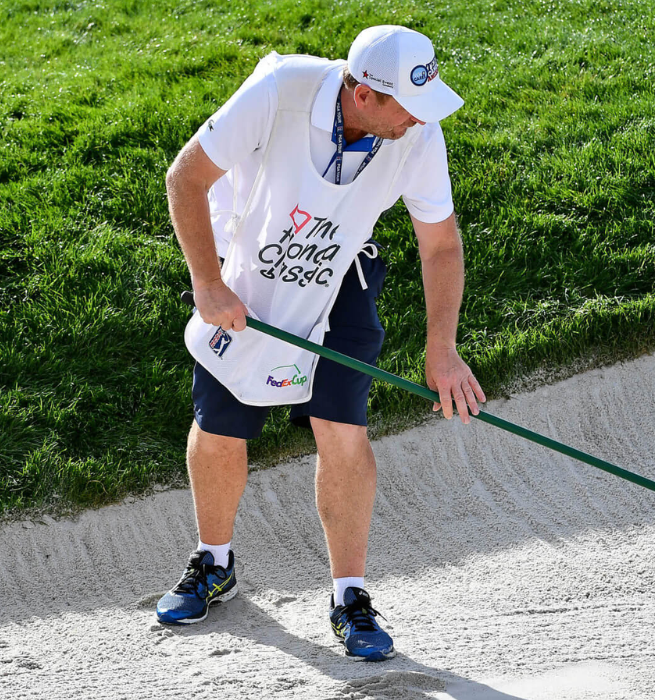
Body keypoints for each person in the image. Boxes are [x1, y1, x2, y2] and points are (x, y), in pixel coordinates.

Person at [156, 25, 486, 662]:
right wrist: (206, 283)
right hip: (249, 271)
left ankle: (350, 595)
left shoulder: (416, 132)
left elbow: (441, 245)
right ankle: (214, 564)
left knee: (342, 426)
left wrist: (441, 348)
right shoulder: (279, 90)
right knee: (222, 423)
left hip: (342, 270)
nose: (421, 120)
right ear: (363, 94)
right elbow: (185, 178)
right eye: (409, 107)